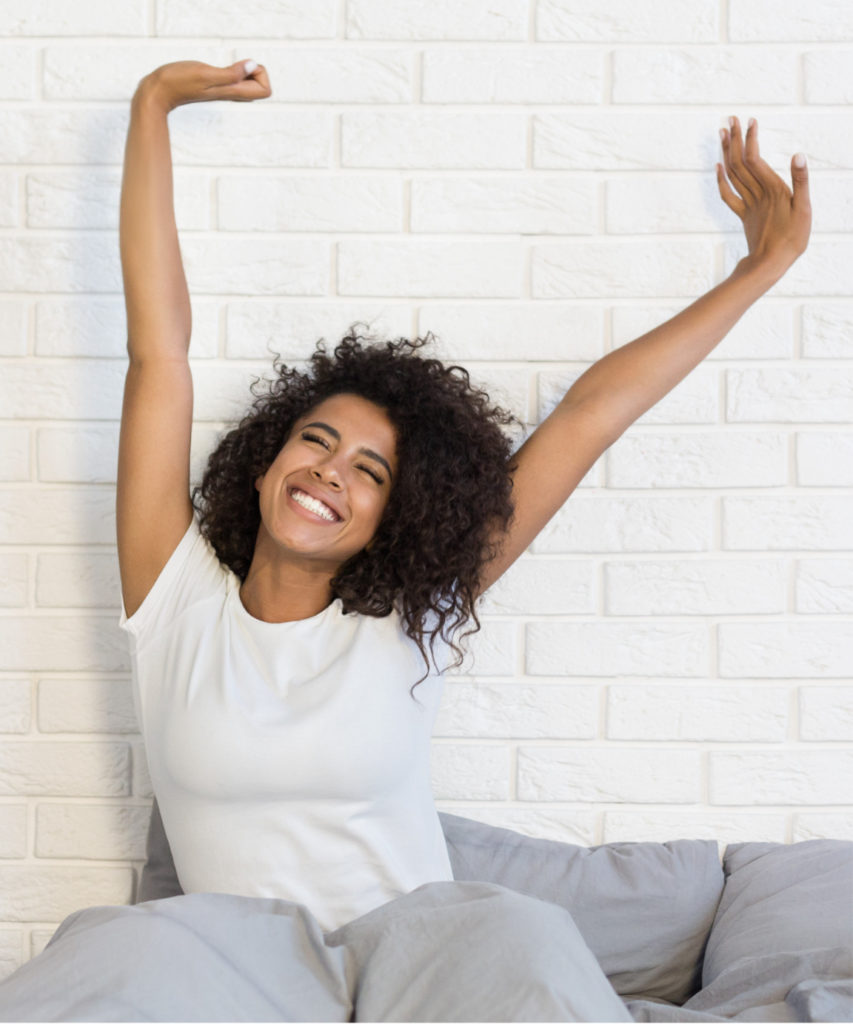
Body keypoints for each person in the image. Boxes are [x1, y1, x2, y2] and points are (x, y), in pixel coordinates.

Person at [0, 59, 811, 1023]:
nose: (332, 471)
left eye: (370, 473)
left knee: (523, 934)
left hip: (426, 955)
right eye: (316, 440)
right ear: (262, 464)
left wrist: (758, 272)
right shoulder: (172, 598)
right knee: (112, 951)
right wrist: (150, 109)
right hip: (237, 968)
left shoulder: (403, 620)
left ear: (394, 519)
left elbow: (587, 417)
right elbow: (157, 350)